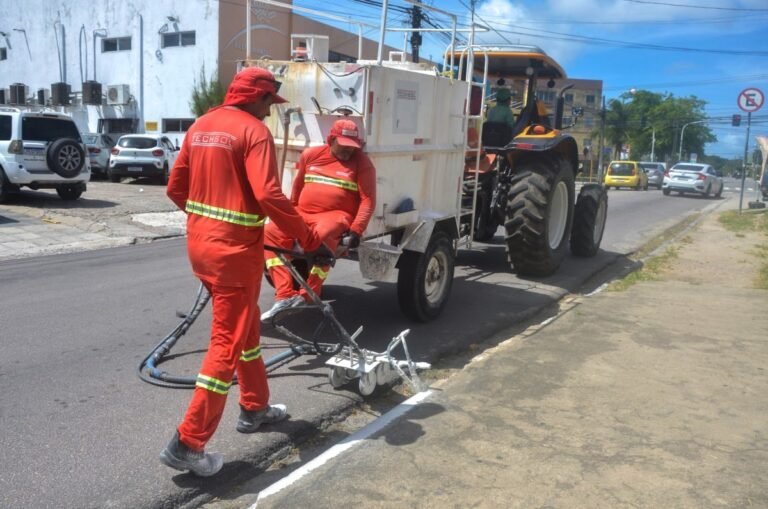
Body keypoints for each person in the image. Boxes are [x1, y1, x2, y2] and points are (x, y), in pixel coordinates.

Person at [160, 66, 325, 477]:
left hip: (202, 248)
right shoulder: (253, 131)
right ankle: (189, 442)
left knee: (246, 329)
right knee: (226, 346)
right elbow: (268, 193)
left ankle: (254, 406)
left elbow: (175, 189)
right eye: (270, 101)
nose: (271, 110)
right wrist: (307, 236)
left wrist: (209, 224)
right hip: (234, 255)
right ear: (256, 97)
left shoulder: (201, 125)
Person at [260, 118, 376, 323]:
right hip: (303, 213)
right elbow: (297, 188)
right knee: (269, 233)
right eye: (343, 146)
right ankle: (285, 295)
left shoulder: (362, 163)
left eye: (352, 147)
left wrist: (357, 229)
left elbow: (368, 200)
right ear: (331, 139)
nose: (348, 151)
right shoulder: (311, 155)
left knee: (320, 237)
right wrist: (290, 218)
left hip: (337, 216)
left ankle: (309, 294)